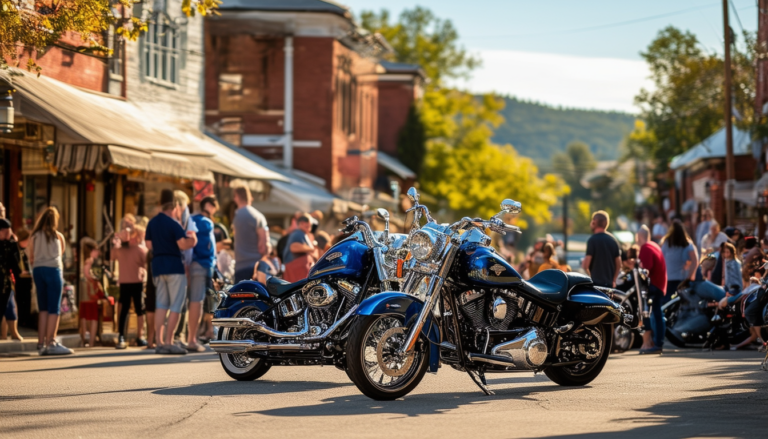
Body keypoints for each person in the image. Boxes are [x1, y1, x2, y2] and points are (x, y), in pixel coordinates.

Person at [145, 189, 197, 355]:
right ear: (174, 206)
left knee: (161, 304)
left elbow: (148, 245)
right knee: (176, 304)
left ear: (161, 205)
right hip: (174, 266)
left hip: (158, 266)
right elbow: (182, 244)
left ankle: (159, 342)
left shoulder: (152, 223)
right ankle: (169, 341)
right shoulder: (174, 223)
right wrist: (193, 241)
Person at [28, 207, 73, 355]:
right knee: (54, 308)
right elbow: (61, 253)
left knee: (43, 308)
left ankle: (40, 343)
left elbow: (31, 255)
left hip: (38, 270)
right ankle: (51, 341)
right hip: (53, 269)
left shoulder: (34, 236)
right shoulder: (58, 236)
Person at [187, 196, 218, 352]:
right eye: (214, 206)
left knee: (195, 302)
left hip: (194, 264)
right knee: (197, 302)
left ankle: (190, 337)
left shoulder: (192, 219)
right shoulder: (205, 222)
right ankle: (191, 339)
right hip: (202, 264)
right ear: (208, 205)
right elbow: (208, 247)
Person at [112, 224, 148, 349]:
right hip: (125, 283)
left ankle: (140, 336)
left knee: (139, 310)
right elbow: (112, 256)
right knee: (126, 310)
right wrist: (117, 241)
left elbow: (146, 264)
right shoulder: (121, 249)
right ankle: (122, 335)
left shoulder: (140, 249)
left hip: (136, 283)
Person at [636, 225, 668, 355]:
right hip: (660, 284)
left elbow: (646, 269)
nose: (637, 241)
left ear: (640, 237)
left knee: (654, 314)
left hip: (654, 285)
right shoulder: (654, 245)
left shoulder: (645, 248)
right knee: (656, 313)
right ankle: (656, 342)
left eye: (637, 238)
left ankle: (657, 343)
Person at [231, 185, 269, 282]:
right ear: (249, 197)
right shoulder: (258, 216)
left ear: (237, 197)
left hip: (241, 267)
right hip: (256, 266)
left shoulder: (236, 217)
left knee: (240, 296)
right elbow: (264, 246)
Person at [661, 220, 699, 300]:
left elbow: (661, 258)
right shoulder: (687, 244)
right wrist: (689, 277)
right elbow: (695, 261)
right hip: (682, 279)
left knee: (668, 303)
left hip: (668, 279)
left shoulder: (667, 243)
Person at [582, 211, 621, 288]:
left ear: (594, 222)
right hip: (609, 286)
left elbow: (585, 265)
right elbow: (619, 264)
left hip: (596, 286)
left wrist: (589, 276)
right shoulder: (613, 240)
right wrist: (613, 280)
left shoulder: (592, 240)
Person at [0, 219, 22, 341]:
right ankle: (4, 334)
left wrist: (13, 244)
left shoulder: (9, 245)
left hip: (5, 283)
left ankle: (12, 332)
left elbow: (16, 264)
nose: (8, 234)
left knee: (9, 307)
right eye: (6, 231)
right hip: (3, 282)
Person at [79, 238, 103, 348]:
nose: (98, 252)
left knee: (83, 316)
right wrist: (96, 279)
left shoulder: (82, 260)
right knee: (93, 317)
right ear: (91, 250)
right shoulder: (90, 261)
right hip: (91, 294)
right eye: (96, 249)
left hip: (83, 294)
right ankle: (92, 341)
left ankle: (84, 339)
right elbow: (88, 275)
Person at [283, 214, 316, 282]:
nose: (310, 226)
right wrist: (311, 249)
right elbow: (293, 247)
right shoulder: (298, 233)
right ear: (302, 223)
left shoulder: (302, 233)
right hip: (296, 270)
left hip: (299, 271)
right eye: (309, 224)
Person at [14, 229, 33, 329]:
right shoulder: (16, 250)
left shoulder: (24, 250)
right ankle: (22, 320)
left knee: (26, 300)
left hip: (26, 278)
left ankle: (25, 319)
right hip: (19, 279)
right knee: (21, 300)